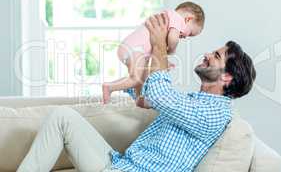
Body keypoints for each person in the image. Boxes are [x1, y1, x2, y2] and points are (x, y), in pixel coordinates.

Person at [17, 13, 256, 172]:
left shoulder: (216, 114)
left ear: (227, 77)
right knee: (62, 117)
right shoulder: (193, 101)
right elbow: (148, 98)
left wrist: (161, 45)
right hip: (122, 165)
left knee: (62, 118)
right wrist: (143, 61)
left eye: (216, 56)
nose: (206, 54)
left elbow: (162, 96)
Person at [102, 1, 205, 104]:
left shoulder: (168, 20)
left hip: (138, 50)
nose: (186, 37)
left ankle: (139, 100)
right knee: (136, 78)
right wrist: (172, 50)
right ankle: (109, 87)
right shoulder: (176, 17)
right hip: (135, 48)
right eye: (190, 33)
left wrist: (165, 62)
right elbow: (173, 39)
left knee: (142, 80)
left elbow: (156, 47)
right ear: (188, 19)